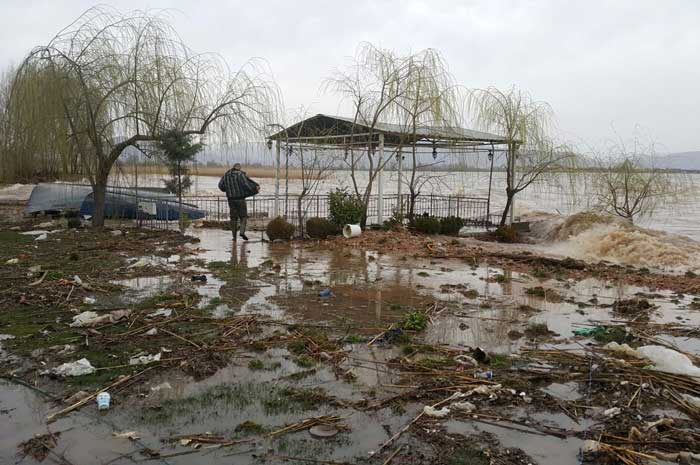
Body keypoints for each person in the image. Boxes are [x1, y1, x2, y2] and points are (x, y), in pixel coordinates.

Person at [218, 163, 260, 240]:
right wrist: (254, 189)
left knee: (233, 218)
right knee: (243, 216)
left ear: (233, 168)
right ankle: (242, 232)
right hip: (240, 199)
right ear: (239, 168)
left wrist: (227, 189)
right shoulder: (240, 175)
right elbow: (246, 185)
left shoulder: (226, 175)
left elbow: (220, 186)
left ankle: (234, 237)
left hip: (230, 199)